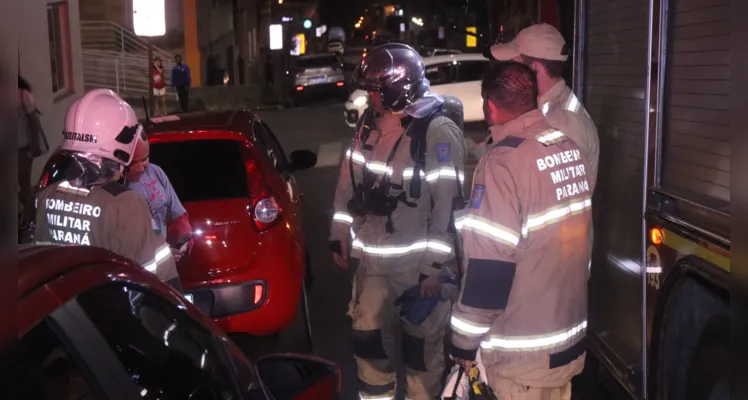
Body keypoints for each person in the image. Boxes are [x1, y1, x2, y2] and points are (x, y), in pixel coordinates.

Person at [330, 42, 467, 400]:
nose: (370, 97)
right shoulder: (369, 123)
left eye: (375, 90)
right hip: (373, 267)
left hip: (418, 272)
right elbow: (350, 177)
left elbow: (447, 208)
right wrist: (339, 229)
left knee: (421, 360)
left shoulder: (435, 131)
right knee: (370, 348)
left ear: (398, 88)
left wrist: (434, 269)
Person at [448, 62, 591, 400]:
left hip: (521, 358)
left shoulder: (503, 163)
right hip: (565, 342)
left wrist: (462, 340)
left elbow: (489, 270)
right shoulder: (568, 147)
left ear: (490, 106)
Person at [33, 89, 182, 292]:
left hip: (64, 316)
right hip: (107, 317)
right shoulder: (125, 205)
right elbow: (162, 285)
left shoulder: (44, 197)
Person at [489, 23, 599, 185]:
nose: (508, 72)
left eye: (513, 64)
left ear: (534, 69)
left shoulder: (564, 123)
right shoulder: (545, 105)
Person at [124, 136, 193, 263]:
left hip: (163, 263)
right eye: (134, 163)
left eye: (145, 159)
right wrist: (161, 255)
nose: (142, 167)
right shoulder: (115, 189)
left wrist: (184, 237)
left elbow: (176, 214)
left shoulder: (155, 172)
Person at [18, 76, 49, 243]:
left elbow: (34, 123)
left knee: (24, 185)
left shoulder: (23, 96)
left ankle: (30, 220)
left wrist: (34, 147)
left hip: (23, 149)